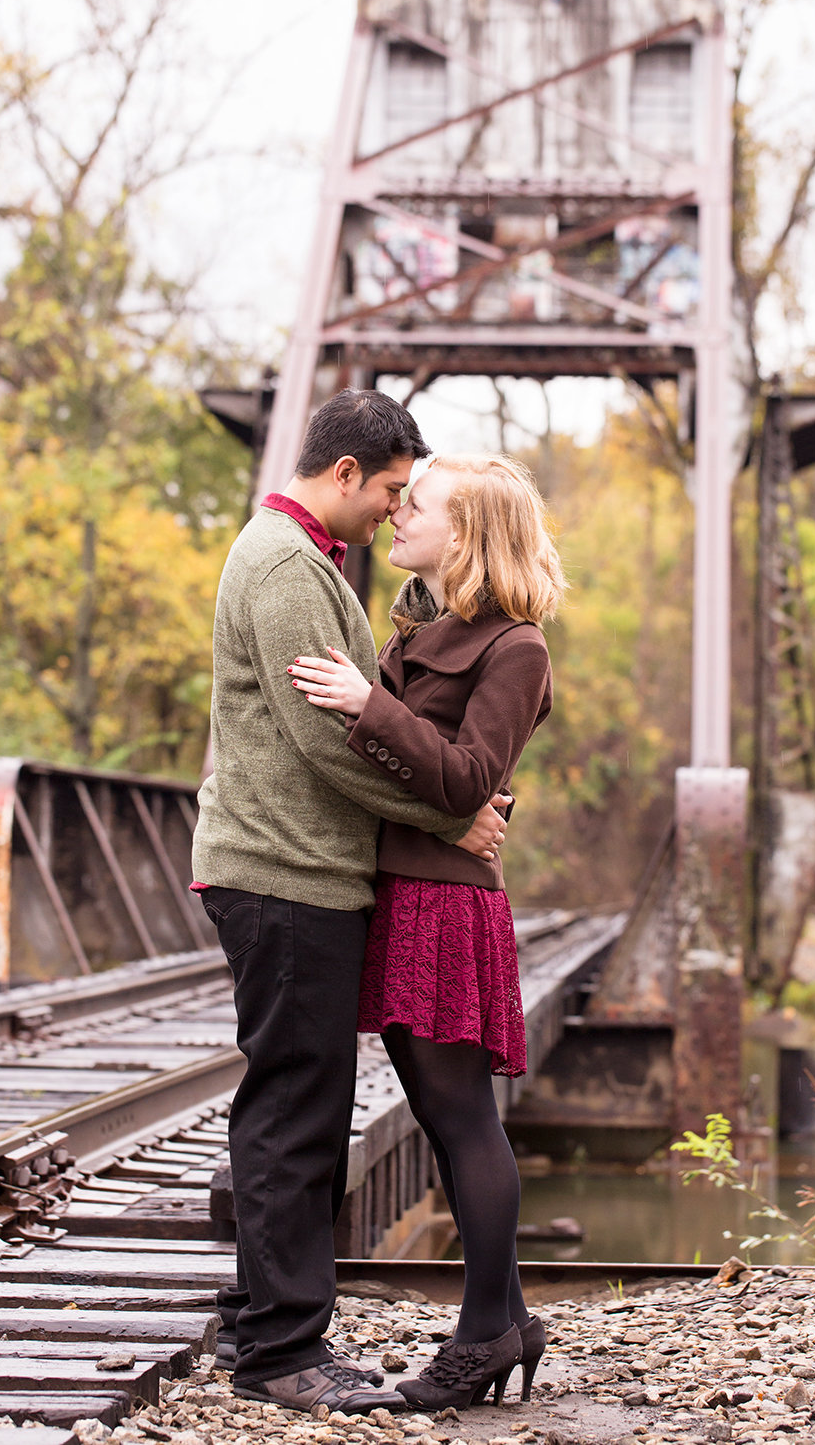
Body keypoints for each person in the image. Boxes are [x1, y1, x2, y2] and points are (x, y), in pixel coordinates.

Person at [191, 391, 508, 1416]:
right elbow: (324, 742)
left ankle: (263, 1320)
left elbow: (375, 722)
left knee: (289, 1104)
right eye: (388, 489)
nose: (391, 508)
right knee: (298, 1113)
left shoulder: (301, 557)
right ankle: (285, 1351)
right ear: (344, 474)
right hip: (283, 872)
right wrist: (452, 820)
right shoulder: (286, 566)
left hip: (299, 871)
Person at [289, 453, 566, 1411]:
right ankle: (511, 1319)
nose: (400, 511)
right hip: (405, 891)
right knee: (450, 1122)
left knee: (460, 1121)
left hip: (444, 903)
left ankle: (484, 1332)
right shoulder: (426, 627)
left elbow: (462, 777)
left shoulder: (515, 646)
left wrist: (370, 705)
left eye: (422, 503)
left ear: (471, 531)